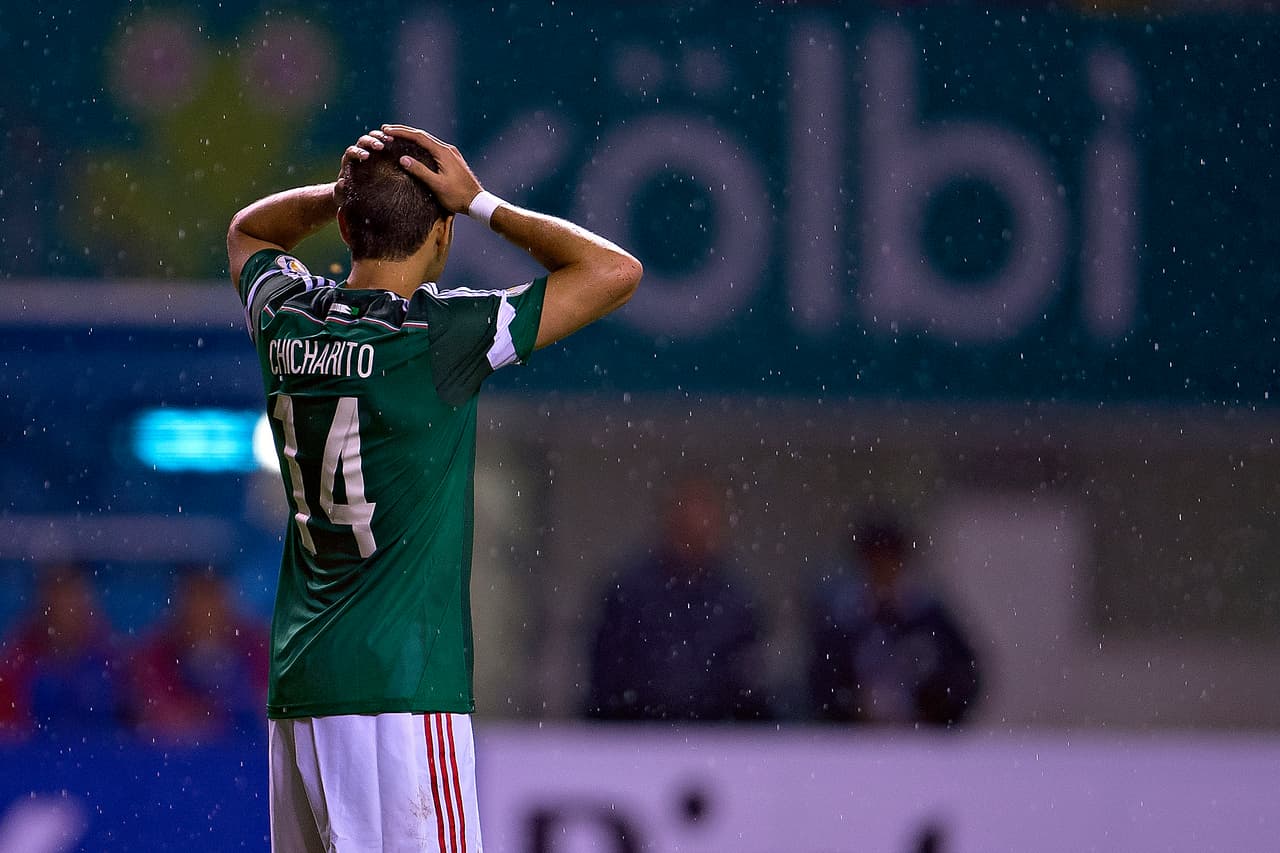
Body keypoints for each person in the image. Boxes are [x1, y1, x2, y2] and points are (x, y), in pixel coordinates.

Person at [226, 123, 641, 852]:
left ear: (349, 226)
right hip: (401, 694)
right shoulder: (438, 336)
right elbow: (613, 271)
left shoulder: (287, 318)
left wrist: (343, 195)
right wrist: (482, 201)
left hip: (301, 687)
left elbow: (246, 231)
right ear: (441, 235)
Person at [584, 473, 770, 722]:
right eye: (686, 522)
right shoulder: (629, 590)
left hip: (717, 734)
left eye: (704, 518)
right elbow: (608, 675)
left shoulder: (737, 597)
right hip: (637, 732)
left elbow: (748, 679)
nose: (696, 529)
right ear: (669, 520)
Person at [809, 515, 981, 726]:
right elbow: (821, 682)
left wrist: (934, 709)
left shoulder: (930, 618)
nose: (883, 572)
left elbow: (966, 675)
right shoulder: (843, 622)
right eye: (875, 564)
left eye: (889, 563)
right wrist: (851, 710)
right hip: (856, 742)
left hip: (923, 738)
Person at [129, 566, 269, 742]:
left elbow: (269, 710)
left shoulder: (257, 650)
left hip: (246, 755)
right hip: (182, 760)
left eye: (211, 602)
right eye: (197, 603)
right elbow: (163, 717)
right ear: (181, 610)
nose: (205, 613)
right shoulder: (155, 656)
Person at [0, 562, 127, 739]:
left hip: (102, 758)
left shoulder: (114, 660)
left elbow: (153, 721)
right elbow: (7, 733)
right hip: (34, 762)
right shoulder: (15, 663)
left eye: (71, 597)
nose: (64, 609)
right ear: (41, 603)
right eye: (56, 597)